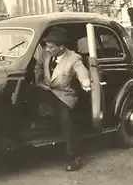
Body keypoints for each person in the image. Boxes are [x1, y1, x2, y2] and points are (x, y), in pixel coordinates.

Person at [33, 27, 91, 171]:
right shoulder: (46, 55)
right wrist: (38, 81)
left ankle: (74, 157)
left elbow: (81, 70)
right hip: (46, 90)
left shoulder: (73, 58)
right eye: (47, 46)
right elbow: (38, 67)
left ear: (61, 47)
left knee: (66, 120)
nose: (48, 49)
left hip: (64, 95)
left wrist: (85, 82)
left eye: (51, 47)